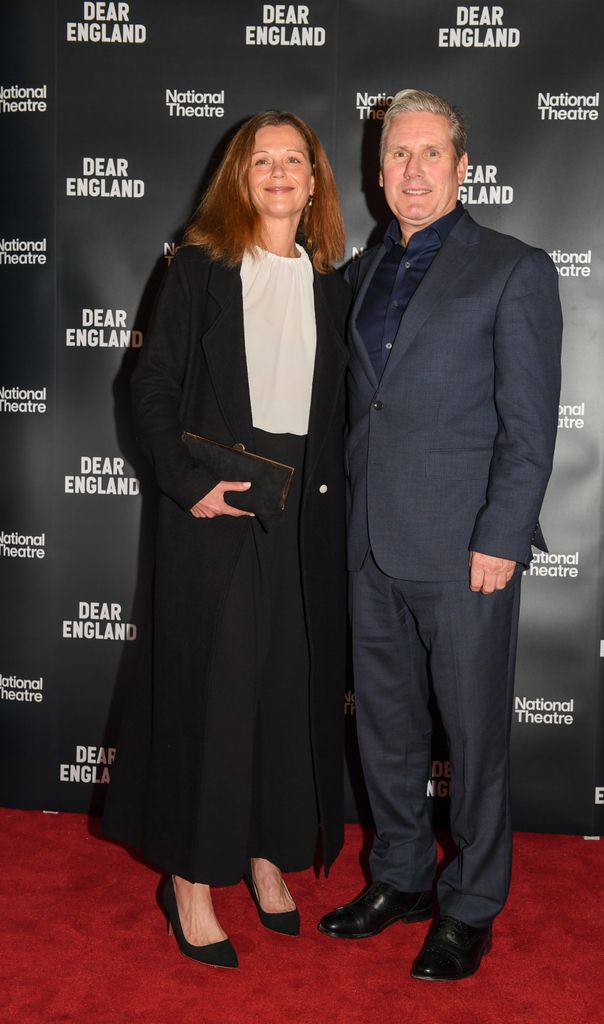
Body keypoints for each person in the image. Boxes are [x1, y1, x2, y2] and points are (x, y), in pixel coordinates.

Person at [318, 89, 562, 982]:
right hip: (369, 543)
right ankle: (399, 878)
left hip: (466, 551)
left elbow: (529, 426)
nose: (410, 171)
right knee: (384, 731)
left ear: (463, 167)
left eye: (428, 154)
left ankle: (469, 904)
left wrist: (500, 534)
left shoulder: (513, 267)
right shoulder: (359, 272)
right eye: (394, 156)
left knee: (472, 736)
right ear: (376, 171)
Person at [103, 110, 349, 969]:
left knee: (284, 691)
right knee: (213, 696)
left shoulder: (332, 284)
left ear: (316, 181)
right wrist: (186, 483)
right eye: (261, 160)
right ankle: (192, 882)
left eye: (294, 160)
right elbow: (152, 385)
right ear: (237, 178)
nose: (279, 172)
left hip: (302, 517)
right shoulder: (198, 269)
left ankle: (264, 851)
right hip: (215, 508)